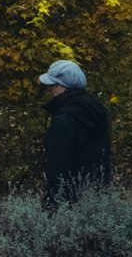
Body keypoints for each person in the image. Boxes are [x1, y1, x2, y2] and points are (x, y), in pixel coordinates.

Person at [38, 58, 112, 202]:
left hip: (68, 197)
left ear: (63, 87)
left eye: (53, 84)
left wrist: (52, 200)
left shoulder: (65, 118)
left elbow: (58, 163)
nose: (50, 89)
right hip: (96, 192)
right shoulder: (95, 111)